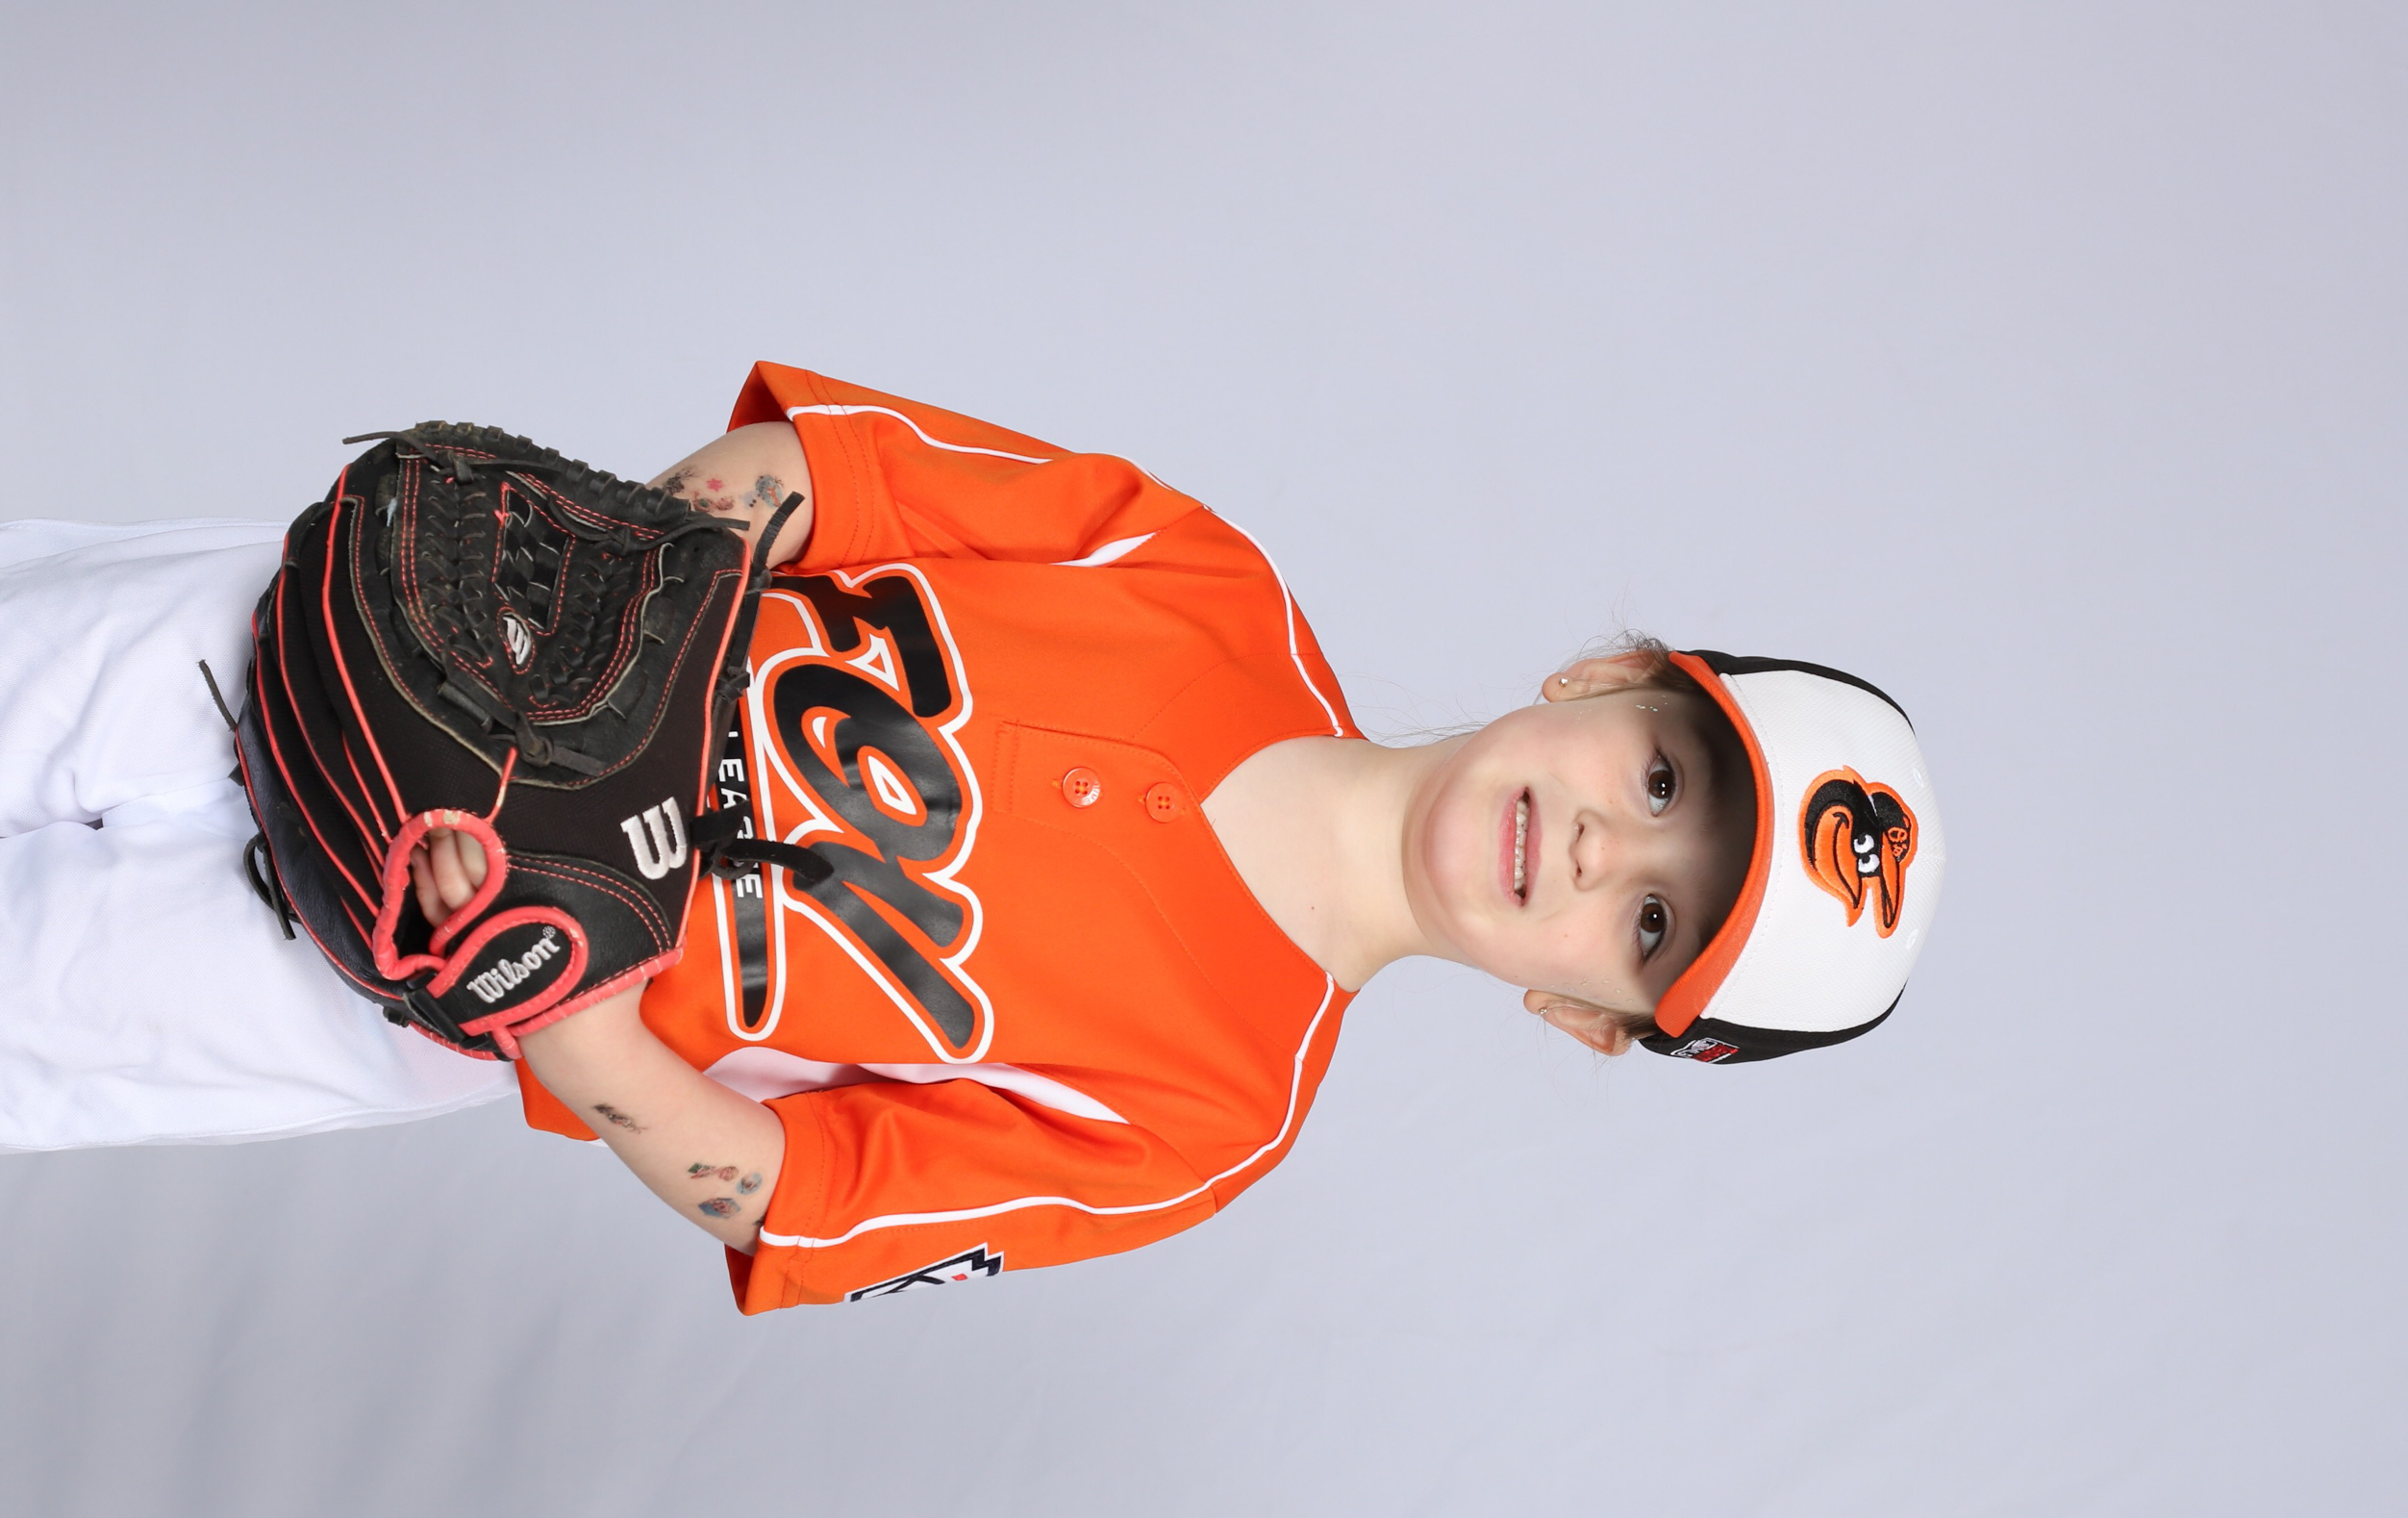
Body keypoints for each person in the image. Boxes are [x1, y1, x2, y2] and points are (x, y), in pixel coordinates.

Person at [0, 364, 1945, 1309]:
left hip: (385, 979)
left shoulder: (1206, 1122)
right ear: (1610, 678)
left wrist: (556, 996)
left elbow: (782, 1192)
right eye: (1665, 784)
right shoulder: (1203, 579)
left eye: (1650, 930)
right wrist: (577, 685)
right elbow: (809, 473)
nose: (1603, 854)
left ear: (1589, 1020)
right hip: (390, 649)